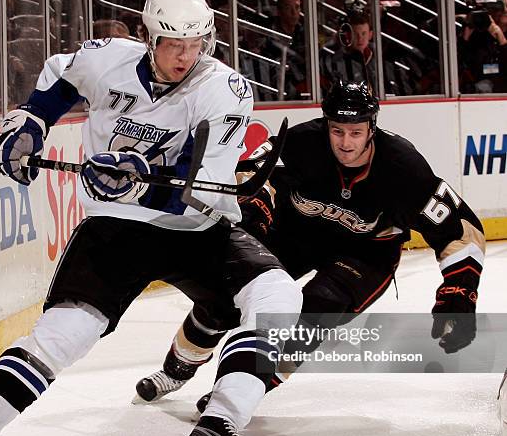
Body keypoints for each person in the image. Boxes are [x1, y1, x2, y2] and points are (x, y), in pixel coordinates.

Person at [0, 0, 302, 436]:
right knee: (64, 335)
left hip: (194, 229)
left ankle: (217, 431)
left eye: (195, 43)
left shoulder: (224, 88)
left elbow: (200, 190)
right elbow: (61, 78)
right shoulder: (108, 58)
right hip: (116, 231)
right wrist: (30, 125)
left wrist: (135, 183)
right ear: (149, 38)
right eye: (173, 43)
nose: (185, 56)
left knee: (278, 296)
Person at [135, 81, 486, 410]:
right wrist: (253, 207)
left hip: (365, 254)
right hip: (295, 236)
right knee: (224, 299)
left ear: (372, 129)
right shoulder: (301, 142)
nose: (345, 143)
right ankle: (176, 370)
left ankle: (241, 388)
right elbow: (249, 174)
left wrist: (461, 290)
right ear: (326, 125)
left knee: (314, 314)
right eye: (337, 131)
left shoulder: (403, 168)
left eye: (355, 133)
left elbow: (460, 229)